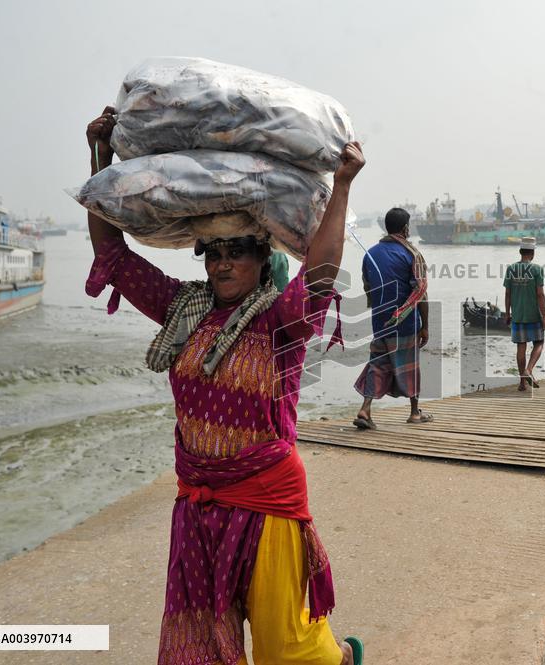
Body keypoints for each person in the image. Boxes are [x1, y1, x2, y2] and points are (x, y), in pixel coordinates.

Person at [84, 107, 364, 665]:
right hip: (196, 505)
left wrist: (343, 184)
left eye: (236, 249)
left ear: (264, 255)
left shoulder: (280, 320)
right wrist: (100, 156)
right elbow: (113, 257)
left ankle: (341, 656)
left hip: (265, 501)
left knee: (286, 650)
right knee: (196, 647)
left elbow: (320, 274)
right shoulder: (181, 308)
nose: (222, 262)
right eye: (213, 251)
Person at [353, 207, 431, 429]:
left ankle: (365, 409)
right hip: (405, 322)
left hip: (380, 321)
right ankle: (415, 412)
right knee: (409, 365)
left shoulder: (370, 254)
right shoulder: (412, 254)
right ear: (406, 228)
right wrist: (425, 326)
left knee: (378, 364)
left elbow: (368, 287)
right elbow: (421, 293)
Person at [504, 237, 545, 391]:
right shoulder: (537, 269)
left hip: (517, 315)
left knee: (520, 348)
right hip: (533, 315)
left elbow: (508, 293)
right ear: (532, 253)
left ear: (521, 251)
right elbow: (540, 295)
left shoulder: (511, 269)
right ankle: (529, 370)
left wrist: (507, 313)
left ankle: (522, 383)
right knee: (539, 343)